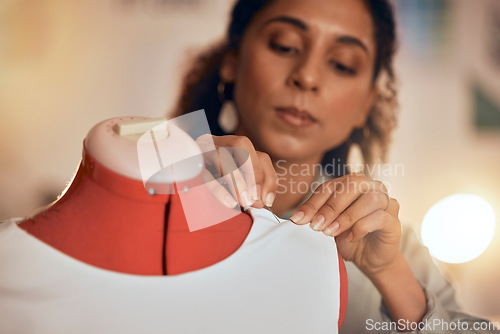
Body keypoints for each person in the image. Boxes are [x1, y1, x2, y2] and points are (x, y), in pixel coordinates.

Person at [171, 0, 500, 333]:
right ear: (232, 62)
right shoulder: (158, 175)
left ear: (365, 104)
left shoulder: (394, 248)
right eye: (285, 46)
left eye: (342, 65)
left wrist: (390, 274)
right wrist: (168, 176)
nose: (308, 77)